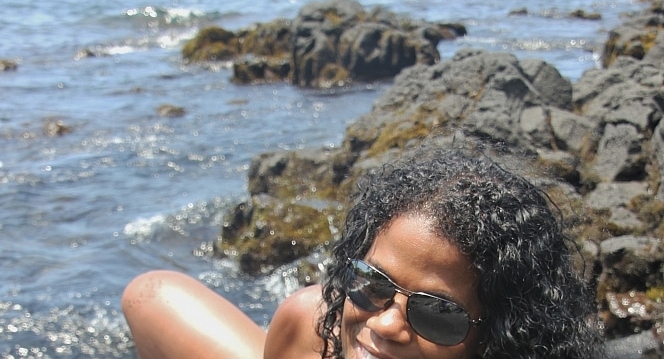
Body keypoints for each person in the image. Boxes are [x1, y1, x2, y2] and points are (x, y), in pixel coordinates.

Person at [122, 147, 603, 358]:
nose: (386, 324)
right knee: (151, 294)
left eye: (437, 313)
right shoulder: (309, 331)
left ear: (497, 337)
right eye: (372, 284)